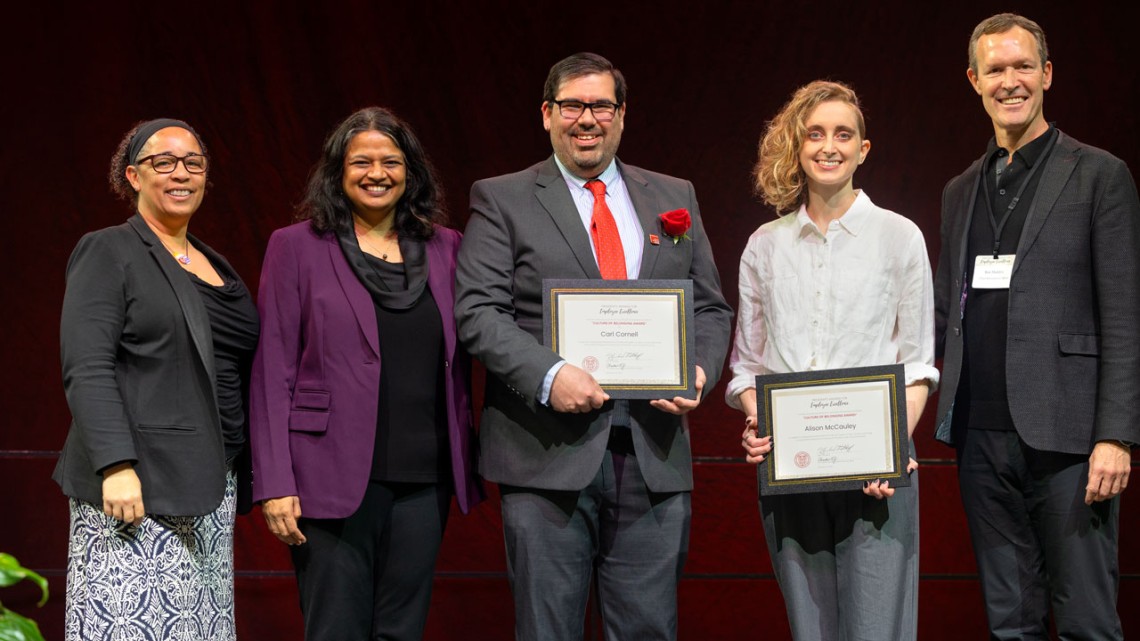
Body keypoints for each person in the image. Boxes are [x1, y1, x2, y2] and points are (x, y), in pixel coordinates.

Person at [455, 52, 733, 640]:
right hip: (544, 454)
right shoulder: (502, 198)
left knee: (649, 630)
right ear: (547, 114)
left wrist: (699, 371)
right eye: (573, 105)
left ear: (622, 115)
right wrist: (552, 375)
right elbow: (478, 312)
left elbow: (709, 305)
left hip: (652, 453)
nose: (588, 119)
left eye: (601, 105)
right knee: (548, 630)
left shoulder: (672, 195)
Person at [933, 13, 1139, 639]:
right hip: (980, 437)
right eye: (995, 69)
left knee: (1087, 622)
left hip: (1072, 439)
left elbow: (1125, 315)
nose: (1010, 81)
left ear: (1047, 75)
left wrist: (1117, 436)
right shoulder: (960, 190)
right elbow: (949, 312)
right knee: (1009, 624)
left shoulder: (1100, 174)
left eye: (1023, 66)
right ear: (974, 80)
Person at [249, 106, 483, 641]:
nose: (377, 172)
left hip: (427, 477)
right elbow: (272, 370)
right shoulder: (296, 246)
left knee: (402, 631)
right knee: (336, 630)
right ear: (337, 171)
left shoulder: (448, 246)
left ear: (411, 172)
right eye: (361, 161)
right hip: (325, 476)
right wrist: (276, 481)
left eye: (391, 161)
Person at [726, 81, 939, 640]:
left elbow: (918, 365)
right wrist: (757, 420)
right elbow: (748, 368)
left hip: (879, 473)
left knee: (877, 631)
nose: (829, 146)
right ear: (798, 146)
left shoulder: (899, 237)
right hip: (792, 466)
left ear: (863, 149)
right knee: (811, 630)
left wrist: (890, 448)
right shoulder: (764, 246)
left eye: (843, 134)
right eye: (815, 134)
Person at [55, 118, 259, 641]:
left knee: (199, 629)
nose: (180, 173)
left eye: (193, 163)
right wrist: (116, 464)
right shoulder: (109, 250)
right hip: (138, 487)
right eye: (162, 162)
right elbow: (87, 365)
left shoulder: (215, 264)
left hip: (211, 485)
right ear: (133, 176)